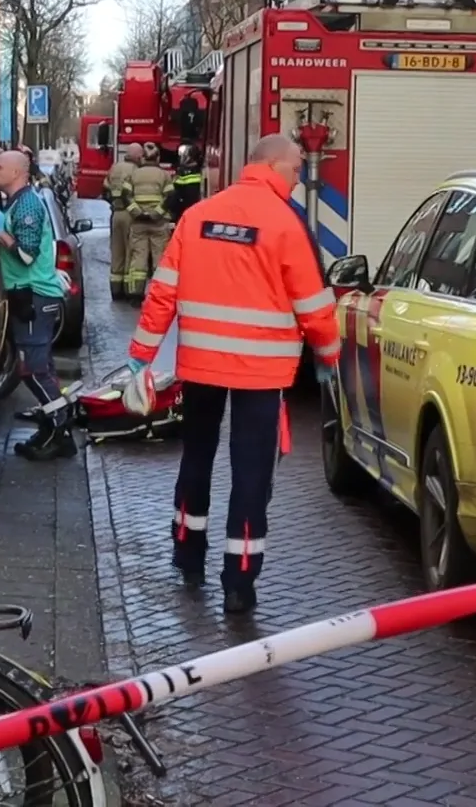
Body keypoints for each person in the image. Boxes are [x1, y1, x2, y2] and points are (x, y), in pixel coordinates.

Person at [126, 134, 342, 615]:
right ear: (272, 165)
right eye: (295, 169)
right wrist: (330, 358)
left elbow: (163, 292)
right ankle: (239, 584)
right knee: (250, 473)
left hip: (201, 365)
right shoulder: (287, 224)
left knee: (196, 458)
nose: (298, 178)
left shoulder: (198, 215)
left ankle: (187, 552)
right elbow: (313, 305)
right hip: (262, 374)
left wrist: (141, 354)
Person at [0, 150, 82, 461]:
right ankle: (52, 426)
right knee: (37, 366)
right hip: (29, 295)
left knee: (31, 368)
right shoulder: (18, 202)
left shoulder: (27, 204)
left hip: (34, 296)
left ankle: (59, 427)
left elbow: (27, 254)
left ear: (17, 172)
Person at [122, 152, 174, 298]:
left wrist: (138, 213)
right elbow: (170, 198)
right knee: (159, 258)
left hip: (138, 223)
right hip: (158, 223)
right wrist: (156, 214)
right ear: (158, 158)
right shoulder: (164, 175)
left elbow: (125, 196)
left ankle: (136, 294)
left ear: (143, 158)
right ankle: (159, 293)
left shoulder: (133, 174)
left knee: (138, 258)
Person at [103, 144, 143, 300]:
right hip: (129, 214)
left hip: (116, 213)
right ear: (137, 156)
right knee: (130, 252)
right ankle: (128, 289)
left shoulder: (115, 168)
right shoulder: (135, 171)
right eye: (140, 156)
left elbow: (105, 185)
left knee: (117, 252)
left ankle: (115, 290)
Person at [165, 145, 204, 222]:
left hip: (184, 211)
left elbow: (175, 194)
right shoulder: (201, 171)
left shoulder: (182, 173)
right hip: (199, 208)